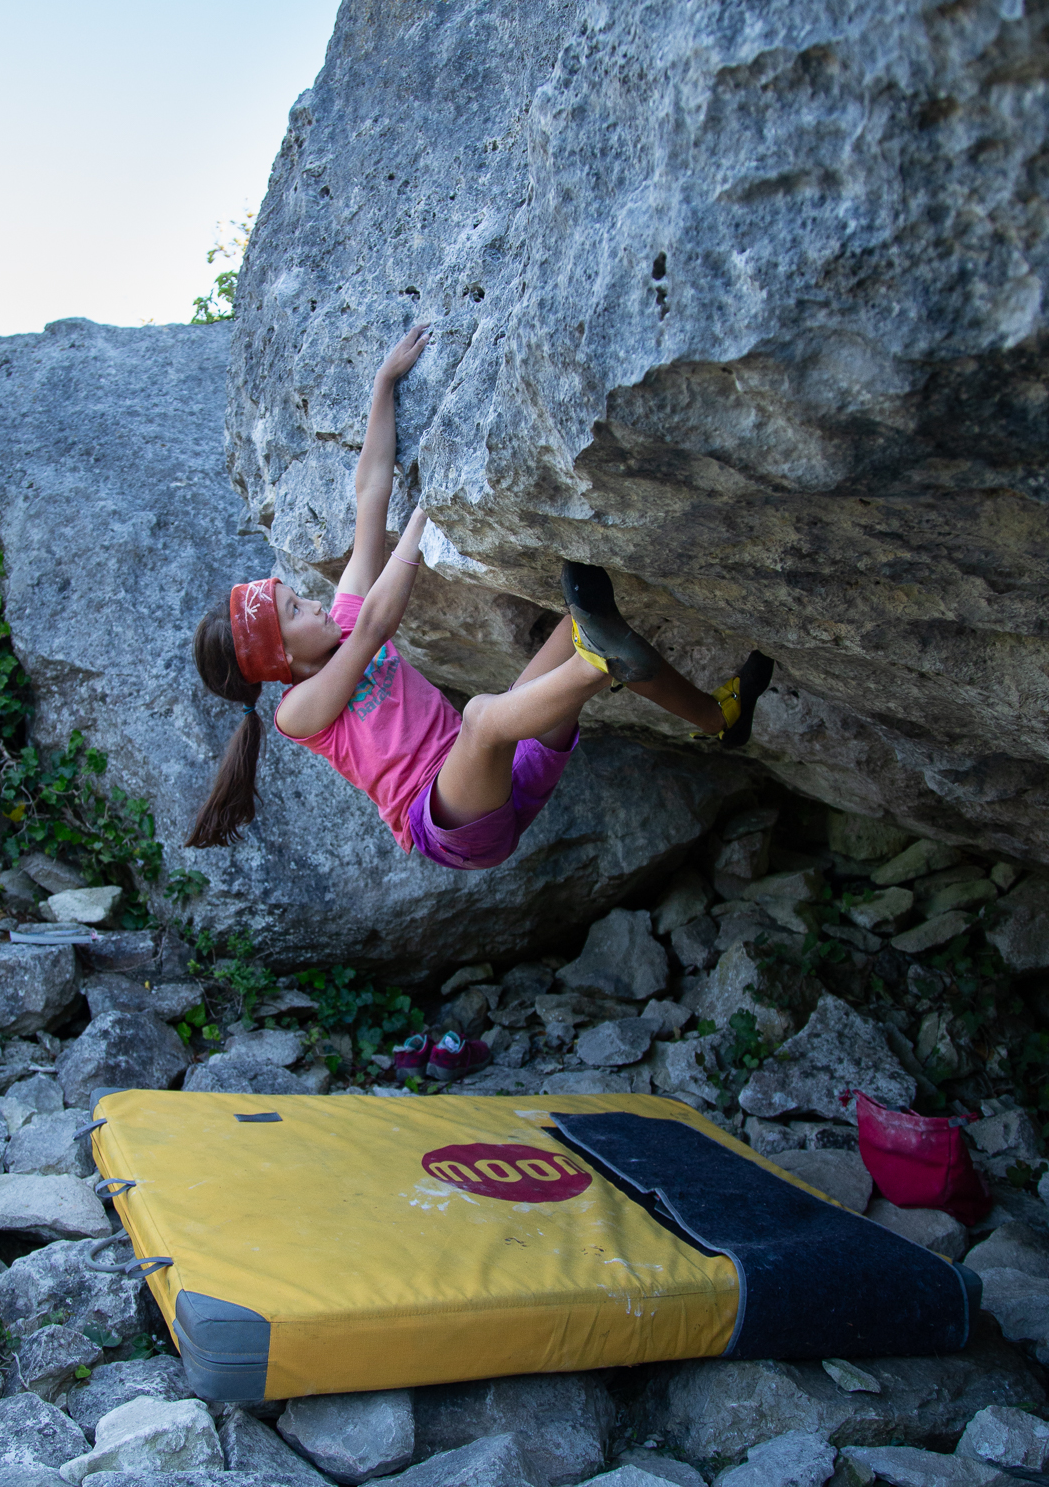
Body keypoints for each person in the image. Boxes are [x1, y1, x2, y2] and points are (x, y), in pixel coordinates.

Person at [188, 327, 773, 1080]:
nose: (311, 600)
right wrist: (427, 513)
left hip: (508, 780)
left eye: (298, 596)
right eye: (294, 609)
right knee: (481, 716)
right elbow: (373, 626)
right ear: (281, 661)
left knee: (580, 622)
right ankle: (601, 667)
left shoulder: (330, 625)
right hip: (454, 823)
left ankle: (719, 717)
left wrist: (382, 386)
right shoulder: (299, 712)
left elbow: (369, 491)